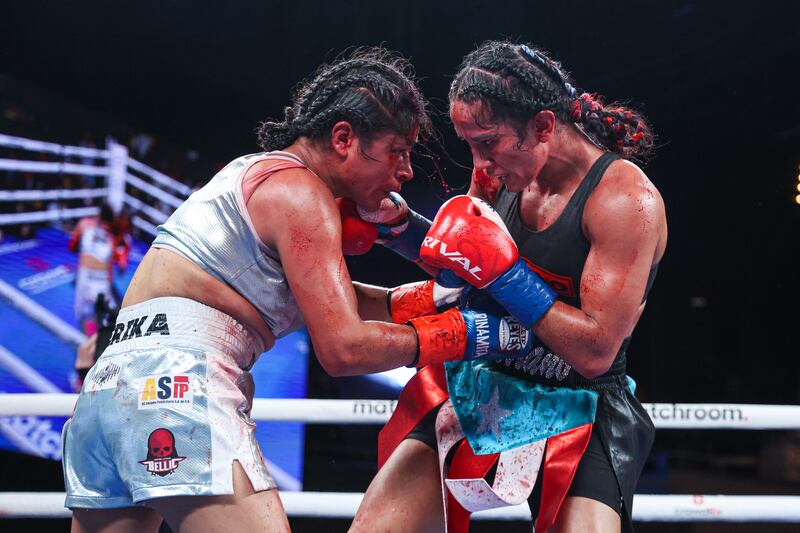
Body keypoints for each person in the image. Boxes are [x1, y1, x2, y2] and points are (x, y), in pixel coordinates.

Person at [63, 48, 535, 533]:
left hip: (107, 391)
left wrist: (440, 301)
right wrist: (466, 334)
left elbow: (338, 302)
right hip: (176, 387)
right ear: (344, 138)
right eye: (398, 151)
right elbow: (343, 349)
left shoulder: (254, 174)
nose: (407, 171)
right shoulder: (301, 195)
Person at [352, 41, 667, 533]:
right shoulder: (505, 175)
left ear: (542, 126)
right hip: (488, 381)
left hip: (579, 400)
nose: (480, 162)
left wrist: (507, 274)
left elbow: (597, 350)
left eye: (487, 142)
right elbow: (463, 266)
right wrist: (400, 228)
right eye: (470, 143)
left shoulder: (625, 200)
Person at [69, 201, 120, 335]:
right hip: (100, 278)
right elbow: (114, 263)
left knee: (84, 316)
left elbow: (72, 245)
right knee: (107, 316)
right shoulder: (113, 237)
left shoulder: (84, 223)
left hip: (84, 276)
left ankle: (88, 344)